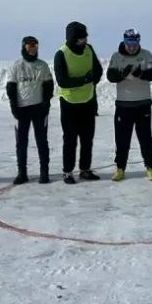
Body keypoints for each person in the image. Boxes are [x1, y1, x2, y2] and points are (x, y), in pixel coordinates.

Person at [54, 21, 104, 183]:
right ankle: (67, 172)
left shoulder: (89, 50)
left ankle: (85, 169)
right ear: (72, 39)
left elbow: (98, 70)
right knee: (70, 139)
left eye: (85, 38)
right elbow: (62, 81)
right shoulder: (61, 54)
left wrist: (93, 78)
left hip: (88, 101)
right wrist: (84, 79)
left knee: (87, 138)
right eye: (80, 39)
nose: (84, 41)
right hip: (69, 103)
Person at [106, 28, 152, 181]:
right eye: (129, 43)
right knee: (122, 140)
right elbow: (110, 76)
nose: (132, 47)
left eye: (135, 43)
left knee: (145, 139)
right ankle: (120, 169)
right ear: (124, 42)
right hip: (124, 105)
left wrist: (140, 73)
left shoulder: (146, 55)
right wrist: (122, 74)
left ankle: (150, 167)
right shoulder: (117, 57)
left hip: (142, 104)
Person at [6, 35, 54, 185]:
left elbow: (48, 87)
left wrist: (46, 104)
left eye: (35, 46)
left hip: (39, 109)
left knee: (42, 141)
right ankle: (22, 173)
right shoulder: (16, 66)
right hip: (22, 110)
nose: (32, 48)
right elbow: (11, 89)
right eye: (29, 46)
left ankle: (44, 172)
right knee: (21, 142)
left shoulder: (43, 66)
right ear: (24, 47)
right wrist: (14, 107)